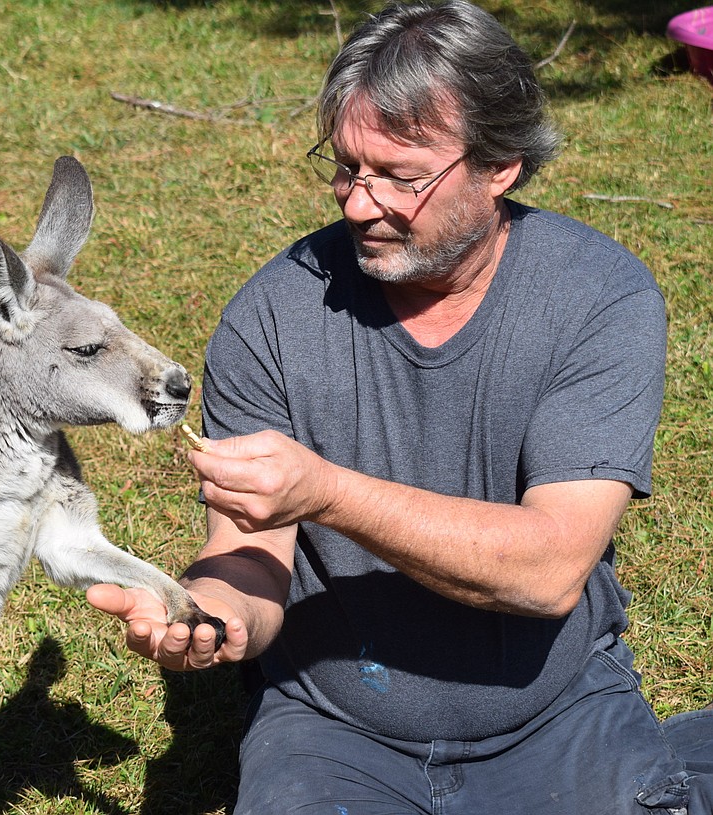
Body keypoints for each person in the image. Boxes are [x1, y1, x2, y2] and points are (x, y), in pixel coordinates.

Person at [88, 1, 713, 812]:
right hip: (334, 723)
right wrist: (208, 615)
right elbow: (249, 555)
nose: (356, 203)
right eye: (347, 166)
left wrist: (329, 491)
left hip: (551, 708)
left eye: (400, 176)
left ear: (502, 166)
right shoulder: (272, 317)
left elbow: (553, 569)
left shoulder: (598, 298)